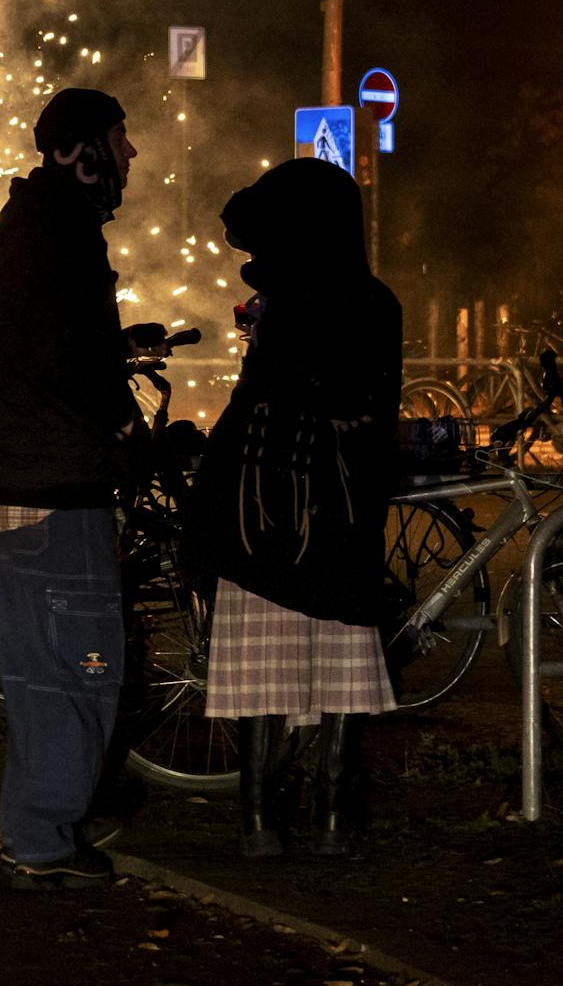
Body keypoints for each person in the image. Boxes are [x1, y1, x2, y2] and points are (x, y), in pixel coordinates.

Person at [191, 156, 402, 859]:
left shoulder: (286, 306)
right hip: (341, 516)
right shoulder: (375, 303)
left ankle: (258, 822)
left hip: (262, 514)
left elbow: (258, 403)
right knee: (344, 657)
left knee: (260, 666)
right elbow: (372, 410)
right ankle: (334, 818)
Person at [0, 88, 143, 891]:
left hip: (30, 470)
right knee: (76, 667)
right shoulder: (59, 234)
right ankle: (44, 838)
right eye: (119, 138)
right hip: (58, 479)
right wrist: (117, 423)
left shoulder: (27, 226)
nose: (130, 154)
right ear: (80, 151)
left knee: (51, 669)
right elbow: (64, 357)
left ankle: (52, 815)